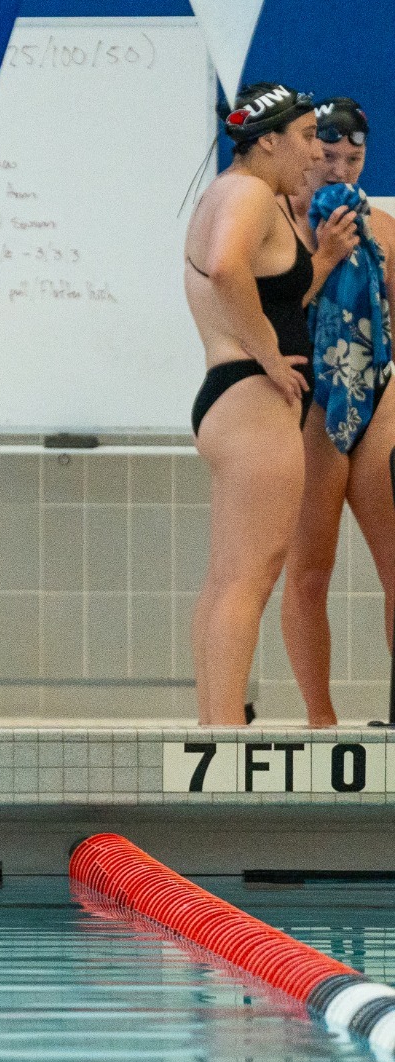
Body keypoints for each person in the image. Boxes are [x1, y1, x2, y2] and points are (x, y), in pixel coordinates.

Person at [182, 83, 328, 725]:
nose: (316, 152)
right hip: (252, 398)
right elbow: (225, 268)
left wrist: (324, 259)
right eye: (307, 137)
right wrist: (269, 353)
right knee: (250, 576)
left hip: (234, 399)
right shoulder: (246, 194)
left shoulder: (231, 192)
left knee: (230, 577)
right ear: (267, 140)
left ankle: (215, 723)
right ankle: (221, 735)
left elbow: (267, 286)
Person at [282, 97, 395, 726]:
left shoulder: (385, 231)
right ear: (307, 151)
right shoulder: (283, 229)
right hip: (309, 402)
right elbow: (272, 320)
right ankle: (320, 722)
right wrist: (322, 257)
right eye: (327, 156)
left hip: (377, 395)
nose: (339, 170)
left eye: (352, 160)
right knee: (310, 572)